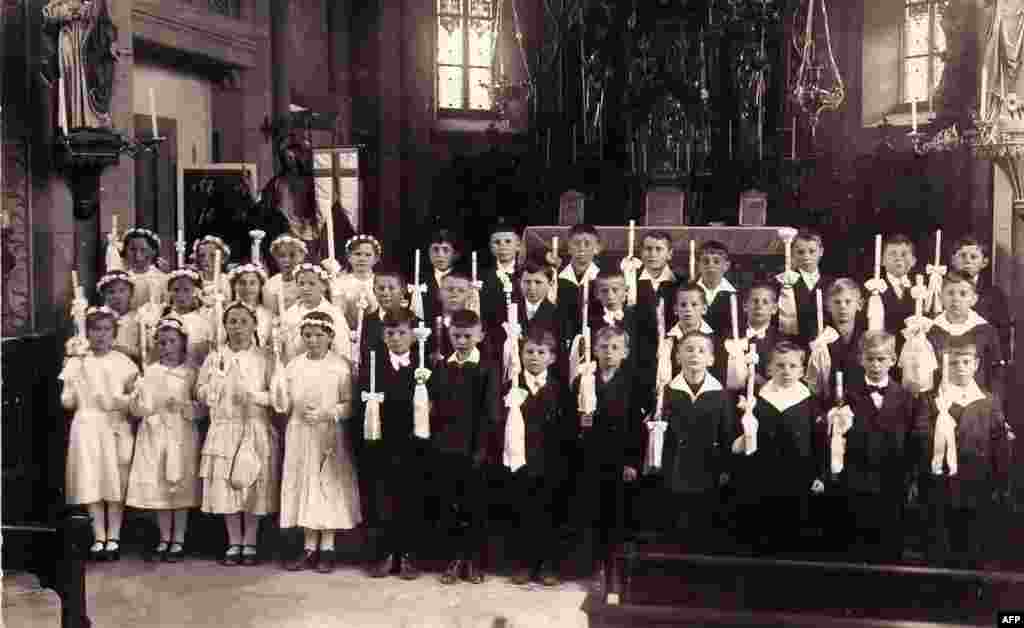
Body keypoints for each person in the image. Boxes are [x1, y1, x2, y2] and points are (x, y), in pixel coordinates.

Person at [273, 311, 361, 574]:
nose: (312, 340)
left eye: (319, 335)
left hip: (328, 432)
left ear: (330, 336)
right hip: (301, 432)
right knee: (305, 483)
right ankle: (309, 545)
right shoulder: (294, 366)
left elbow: (349, 405)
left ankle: (328, 547)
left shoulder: (340, 366)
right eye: (308, 335)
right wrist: (283, 399)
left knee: (326, 484)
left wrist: (328, 412)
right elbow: (283, 401)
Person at [196, 301, 281, 567]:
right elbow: (200, 392)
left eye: (244, 321)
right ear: (225, 326)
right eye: (232, 321)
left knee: (253, 483)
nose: (238, 327)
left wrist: (255, 397)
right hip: (225, 427)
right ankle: (234, 542)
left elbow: (279, 397)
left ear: (255, 325)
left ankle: (251, 541)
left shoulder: (266, 358)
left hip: (254, 424)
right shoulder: (215, 357)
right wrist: (213, 388)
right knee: (226, 483)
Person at [914, 340, 1010, 568]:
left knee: (972, 547)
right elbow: (920, 435)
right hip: (940, 485)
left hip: (977, 485)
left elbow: (998, 444)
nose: (959, 368)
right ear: (943, 366)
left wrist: (999, 481)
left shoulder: (988, 401)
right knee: (939, 547)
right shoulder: (931, 400)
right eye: (953, 363)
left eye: (965, 362)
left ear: (976, 364)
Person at [825, 331, 915, 564]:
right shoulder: (846, 395)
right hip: (856, 478)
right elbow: (835, 439)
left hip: (891, 479)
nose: (876, 364)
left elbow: (912, 440)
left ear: (893, 360)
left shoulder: (906, 398)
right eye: (871, 358)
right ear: (861, 359)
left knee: (890, 542)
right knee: (856, 541)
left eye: (882, 359)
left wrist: (909, 476)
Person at [569, 326, 648, 592]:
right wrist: (582, 423)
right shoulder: (584, 379)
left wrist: (632, 462)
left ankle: (615, 567)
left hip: (619, 459)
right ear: (595, 350)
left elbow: (637, 427)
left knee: (616, 516)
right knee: (592, 512)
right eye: (603, 347)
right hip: (590, 457)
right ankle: (596, 566)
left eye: (615, 348)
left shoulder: (632, 383)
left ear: (625, 352)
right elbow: (572, 418)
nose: (609, 353)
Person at [61, 306, 140, 561]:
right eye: (95, 329)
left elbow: (135, 398)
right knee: (92, 478)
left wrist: (120, 401)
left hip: (113, 424)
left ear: (114, 333)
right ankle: (98, 536)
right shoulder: (78, 362)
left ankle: (114, 536)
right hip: (87, 425)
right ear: (86, 332)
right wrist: (69, 389)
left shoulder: (122, 362)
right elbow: (69, 402)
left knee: (114, 480)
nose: (101, 335)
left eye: (107, 330)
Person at [493, 329, 571, 586]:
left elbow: (565, 429)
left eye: (541, 352)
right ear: (520, 355)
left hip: (550, 463)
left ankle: (547, 564)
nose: (534, 357)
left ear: (551, 358)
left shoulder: (559, 389)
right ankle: (523, 563)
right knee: (520, 512)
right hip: (520, 461)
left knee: (549, 513)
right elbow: (499, 424)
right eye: (529, 352)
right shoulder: (511, 387)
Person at [428, 309, 500, 584]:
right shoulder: (441, 366)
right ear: (449, 335)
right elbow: (435, 407)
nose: (461, 341)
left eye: (467, 336)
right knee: (449, 505)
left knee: (474, 507)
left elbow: (490, 412)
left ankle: (473, 560)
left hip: (475, 448)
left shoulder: (487, 367)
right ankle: (453, 559)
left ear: (479, 335)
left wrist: (481, 448)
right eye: (456, 335)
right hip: (446, 447)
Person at [125, 316, 202, 563]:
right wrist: (137, 400)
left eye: (172, 342)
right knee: (160, 483)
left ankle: (178, 538)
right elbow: (140, 409)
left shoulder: (191, 372)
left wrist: (184, 406)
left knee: (178, 484)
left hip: (181, 431)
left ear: (182, 344)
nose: (166, 347)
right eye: (162, 342)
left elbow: (202, 408)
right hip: (155, 433)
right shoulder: (149, 372)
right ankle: (164, 537)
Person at [737, 341, 823, 555]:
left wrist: (819, 474)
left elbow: (819, 441)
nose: (786, 371)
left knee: (796, 531)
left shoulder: (810, 401)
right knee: (763, 529)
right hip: (764, 474)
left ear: (802, 371)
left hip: (799, 475)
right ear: (769, 369)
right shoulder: (755, 399)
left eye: (793, 366)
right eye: (780, 365)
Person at [361, 308, 427, 580]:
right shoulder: (373, 365)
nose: (396, 338)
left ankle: (409, 554)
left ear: (413, 335)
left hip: (413, 443)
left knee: (411, 499)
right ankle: (385, 553)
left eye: (402, 333)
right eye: (390, 333)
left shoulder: (423, 365)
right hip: (383, 443)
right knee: (383, 499)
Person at [655, 331, 735, 551]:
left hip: (707, 468)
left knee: (705, 523)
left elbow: (726, 434)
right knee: (676, 522)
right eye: (688, 349)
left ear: (711, 359)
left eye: (701, 351)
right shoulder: (668, 391)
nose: (694, 355)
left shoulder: (720, 394)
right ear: (678, 356)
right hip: (676, 468)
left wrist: (725, 467)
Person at [926, 270, 1004, 401]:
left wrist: (994, 402)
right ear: (941, 297)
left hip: (978, 400)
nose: (956, 299)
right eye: (950, 293)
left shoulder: (986, 331)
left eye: (963, 294)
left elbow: (996, 372)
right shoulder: (931, 330)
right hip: (940, 400)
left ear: (974, 299)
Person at [949, 235, 1011, 354]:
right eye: (962, 256)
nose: (967, 260)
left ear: (984, 262)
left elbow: (1003, 332)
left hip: (983, 357)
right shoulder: (941, 290)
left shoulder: (994, 295)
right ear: (953, 260)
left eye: (973, 257)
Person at [280, 263, 351, 364]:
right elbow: (286, 350)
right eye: (301, 284)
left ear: (324, 286)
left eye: (311, 283)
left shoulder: (333, 313)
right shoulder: (289, 314)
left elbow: (341, 348)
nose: (305, 288)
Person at [779, 230, 833, 346]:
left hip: (823, 343)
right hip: (792, 342)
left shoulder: (831, 283)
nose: (806, 256)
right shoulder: (784, 282)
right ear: (792, 253)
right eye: (800, 252)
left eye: (812, 251)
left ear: (821, 252)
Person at [556, 224, 603, 352]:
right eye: (576, 243)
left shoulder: (602, 279)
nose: (581, 248)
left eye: (587, 244)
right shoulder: (557, 278)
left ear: (597, 248)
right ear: (569, 248)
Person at [330, 234, 382, 330]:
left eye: (368, 255)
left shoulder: (381, 282)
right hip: (348, 333)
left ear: (376, 259)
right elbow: (338, 314)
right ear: (349, 257)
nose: (362, 259)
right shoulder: (340, 283)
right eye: (357, 254)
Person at [164, 269, 213, 370]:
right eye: (176, 290)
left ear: (195, 292)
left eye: (186, 290)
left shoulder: (203, 322)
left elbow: (205, 357)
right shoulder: (165, 319)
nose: (181, 295)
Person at [742, 281, 784, 384]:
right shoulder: (729, 337)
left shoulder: (782, 341)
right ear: (745, 306)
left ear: (774, 309)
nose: (759, 306)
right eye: (755, 301)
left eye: (765, 302)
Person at [879, 234, 917, 346]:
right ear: (882, 261)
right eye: (892, 254)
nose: (898, 258)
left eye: (904, 254)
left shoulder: (922, 288)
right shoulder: (873, 288)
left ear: (914, 261)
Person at [695, 240, 739, 337]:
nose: (711, 265)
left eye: (716, 261)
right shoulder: (688, 293)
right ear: (698, 265)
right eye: (706, 261)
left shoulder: (736, 296)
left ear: (726, 266)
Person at [97, 270, 141, 363]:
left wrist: (124, 351)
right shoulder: (97, 316)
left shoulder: (139, 317)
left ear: (131, 293)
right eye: (111, 292)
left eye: (122, 291)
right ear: (104, 295)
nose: (117, 296)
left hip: (130, 364)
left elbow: (143, 351)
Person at [122, 228, 168, 311]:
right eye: (132, 249)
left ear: (153, 251)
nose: (137, 255)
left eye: (143, 250)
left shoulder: (162, 278)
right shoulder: (123, 278)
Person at [228, 263, 274, 346]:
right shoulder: (227, 312)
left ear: (260, 286)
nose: (247, 288)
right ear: (234, 286)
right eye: (242, 283)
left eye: (252, 283)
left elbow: (271, 344)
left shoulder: (267, 315)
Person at [424, 229, 462, 326]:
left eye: (446, 250)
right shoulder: (419, 281)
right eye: (435, 249)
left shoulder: (463, 280)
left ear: (455, 254)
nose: (440, 255)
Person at [263, 234, 308, 315]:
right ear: (275, 258)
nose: (287, 260)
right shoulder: (271, 284)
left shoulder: (309, 280)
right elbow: (271, 313)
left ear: (301, 256)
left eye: (292, 255)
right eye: (282, 256)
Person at [193, 235, 233, 303]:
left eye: (212, 255)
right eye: (202, 255)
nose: (206, 259)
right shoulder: (195, 278)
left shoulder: (225, 279)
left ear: (222, 258)